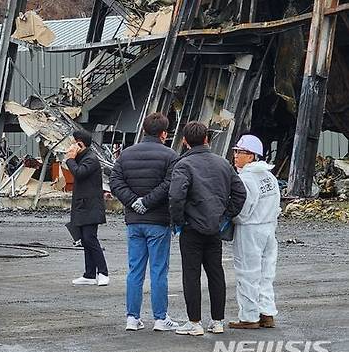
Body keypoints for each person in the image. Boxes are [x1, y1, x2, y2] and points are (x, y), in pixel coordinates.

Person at [169, 121, 246, 336]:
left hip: (191, 228)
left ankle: (194, 323)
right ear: (207, 139)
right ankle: (218, 321)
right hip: (215, 228)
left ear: (185, 141)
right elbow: (240, 193)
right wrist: (225, 215)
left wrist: (178, 221)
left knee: (191, 275)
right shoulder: (223, 164)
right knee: (216, 273)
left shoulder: (183, 165)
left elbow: (176, 196)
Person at [110, 112, 179, 332]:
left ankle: (132, 317)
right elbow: (170, 184)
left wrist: (133, 202)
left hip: (134, 221)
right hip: (158, 220)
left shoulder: (126, 155)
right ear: (164, 134)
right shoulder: (170, 156)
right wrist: (148, 202)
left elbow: (115, 181)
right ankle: (160, 319)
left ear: (144, 130)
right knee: (158, 270)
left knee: (134, 270)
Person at [229, 135, 281, 329]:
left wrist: (231, 219)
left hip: (250, 229)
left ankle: (249, 316)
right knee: (266, 272)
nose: (235, 156)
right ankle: (267, 312)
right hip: (269, 228)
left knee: (247, 272)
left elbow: (242, 209)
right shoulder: (269, 176)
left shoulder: (246, 178)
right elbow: (277, 205)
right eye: (235, 151)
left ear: (251, 156)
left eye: (239, 152)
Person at [66, 130, 109, 287]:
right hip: (83, 206)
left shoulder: (91, 159)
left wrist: (70, 159)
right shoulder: (83, 157)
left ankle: (103, 272)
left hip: (91, 206)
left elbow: (79, 173)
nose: (71, 146)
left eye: (74, 142)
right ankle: (89, 274)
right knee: (85, 239)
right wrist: (73, 157)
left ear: (80, 144)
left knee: (90, 239)